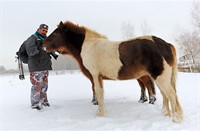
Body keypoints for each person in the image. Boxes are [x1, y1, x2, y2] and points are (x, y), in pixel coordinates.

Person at [24, 24, 58, 110]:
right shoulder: (32, 38)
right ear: (38, 29)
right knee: (36, 86)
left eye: (46, 31)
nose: (45, 32)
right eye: (43, 30)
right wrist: (42, 48)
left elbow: (47, 51)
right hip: (36, 67)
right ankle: (35, 104)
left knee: (44, 86)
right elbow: (31, 51)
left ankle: (44, 101)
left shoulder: (45, 40)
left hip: (44, 67)